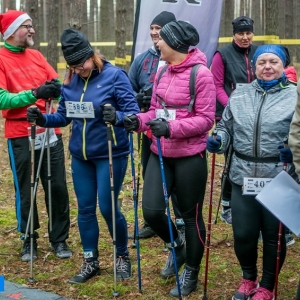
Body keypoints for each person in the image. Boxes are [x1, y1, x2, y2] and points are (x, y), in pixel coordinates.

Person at [27, 28, 140, 284]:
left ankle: (122, 255)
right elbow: (64, 117)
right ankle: (91, 260)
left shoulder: (114, 76)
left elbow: (133, 112)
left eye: (81, 64)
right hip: (81, 156)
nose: (79, 70)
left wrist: (118, 117)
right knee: (86, 209)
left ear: (92, 55)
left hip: (110, 152)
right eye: (73, 66)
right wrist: (43, 119)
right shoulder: (70, 82)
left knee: (107, 207)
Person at [124, 20, 216, 297]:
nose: (157, 43)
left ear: (175, 43)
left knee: (190, 217)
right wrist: (137, 121)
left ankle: (191, 272)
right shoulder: (162, 71)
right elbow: (154, 111)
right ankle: (177, 246)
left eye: (161, 39)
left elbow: (206, 119)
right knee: (151, 212)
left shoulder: (201, 74)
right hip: (160, 153)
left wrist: (172, 128)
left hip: (190, 157)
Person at [206, 44, 297, 300]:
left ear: (283, 66)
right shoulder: (240, 94)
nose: (267, 67)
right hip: (242, 175)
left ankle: (268, 285)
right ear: (254, 66)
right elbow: (226, 126)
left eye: (273, 62)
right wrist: (219, 140)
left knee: (272, 237)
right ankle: (249, 278)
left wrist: (295, 153)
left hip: (278, 176)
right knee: (243, 234)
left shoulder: (295, 95)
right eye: (261, 62)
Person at [0, 10, 71, 262]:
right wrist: (34, 93)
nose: (32, 30)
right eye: (26, 26)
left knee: (57, 186)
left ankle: (59, 238)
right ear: (11, 32)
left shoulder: (38, 56)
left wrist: (56, 90)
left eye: (31, 26)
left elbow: (58, 86)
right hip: (21, 133)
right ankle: (28, 238)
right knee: (26, 188)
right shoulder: (1, 58)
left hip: (49, 129)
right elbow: (1, 98)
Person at [128, 11, 185, 239]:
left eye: (159, 28)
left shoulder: (183, 59)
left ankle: (181, 221)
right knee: (151, 175)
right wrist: (137, 100)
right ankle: (155, 222)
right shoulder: (142, 59)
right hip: (149, 130)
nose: (154, 32)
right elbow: (127, 90)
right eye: (152, 27)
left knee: (178, 181)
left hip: (177, 133)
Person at [210, 16, 257, 224]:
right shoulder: (222, 54)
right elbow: (216, 85)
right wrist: (232, 106)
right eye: (241, 33)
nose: (245, 37)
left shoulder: (259, 53)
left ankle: (254, 201)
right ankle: (228, 205)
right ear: (234, 34)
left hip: (256, 116)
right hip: (229, 115)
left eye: (248, 33)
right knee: (231, 162)